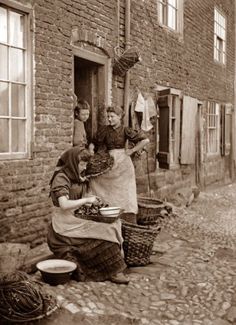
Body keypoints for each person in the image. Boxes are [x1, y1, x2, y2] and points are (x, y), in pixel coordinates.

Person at [47, 146, 129, 284]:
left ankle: (114, 268)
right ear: (72, 162)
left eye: (85, 164)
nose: (84, 167)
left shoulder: (78, 176)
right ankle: (113, 271)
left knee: (115, 224)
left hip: (76, 216)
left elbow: (82, 197)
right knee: (107, 230)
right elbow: (64, 204)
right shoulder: (61, 178)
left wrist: (93, 202)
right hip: (64, 222)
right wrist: (86, 200)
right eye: (81, 163)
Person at [88, 105, 150, 223]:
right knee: (97, 182)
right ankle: (108, 216)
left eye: (112, 116)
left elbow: (145, 140)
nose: (109, 119)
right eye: (108, 116)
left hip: (124, 164)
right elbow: (93, 142)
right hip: (109, 162)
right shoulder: (104, 130)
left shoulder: (126, 130)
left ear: (120, 117)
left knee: (125, 191)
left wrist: (132, 150)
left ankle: (127, 219)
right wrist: (91, 150)